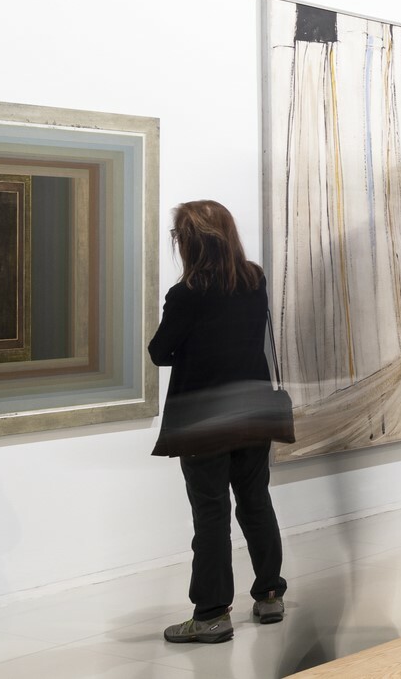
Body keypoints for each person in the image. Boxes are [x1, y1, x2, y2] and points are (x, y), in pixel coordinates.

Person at [148, 200, 293, 644]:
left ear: (190, 242)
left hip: (204, 419)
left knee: (211, 516)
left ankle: (211, 614)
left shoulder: (186, 294)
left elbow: (159, 351)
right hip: (252, 409)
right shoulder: (254, 279)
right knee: (256, 502)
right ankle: (269, 594)